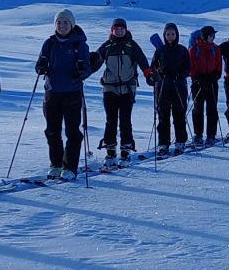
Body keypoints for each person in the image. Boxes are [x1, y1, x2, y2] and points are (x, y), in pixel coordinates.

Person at [35, 10, 94, 180]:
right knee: (52, 131)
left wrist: (81, 72)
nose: (62, 26)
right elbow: (39, 66)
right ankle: (56, 164)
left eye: (65, 22)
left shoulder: (79, 44)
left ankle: (70, 167)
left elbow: (87, 69)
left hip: (72, 93)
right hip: (52, 93)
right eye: (59, 22)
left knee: (72, 132)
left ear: (72, 24)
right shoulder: (49, 43)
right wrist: (41, 67)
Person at [93, 18, 150, 162]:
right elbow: (95, 63)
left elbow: (142, 60)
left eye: (121, 29)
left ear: (125, 29)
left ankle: (126, 149)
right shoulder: (107, 46)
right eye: (116, 29)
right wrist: (82, 73)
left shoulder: (132, 45)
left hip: (127, 88)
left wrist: (149, 74)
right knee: (110, 119)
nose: (119, 31)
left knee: (125, 119)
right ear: (112, 30)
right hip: (109, 87)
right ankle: (110, 149)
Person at [147, 23, 191, 156]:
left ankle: (180, 142)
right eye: (168, 34)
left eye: (173, 34)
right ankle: (163, 144)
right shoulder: (160, 50)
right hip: (163, 87)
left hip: (179, 86)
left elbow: (188, 67)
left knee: (179, 115)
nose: (170, 36)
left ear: (176, 35)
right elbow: (153, 67)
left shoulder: (182, 50)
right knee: (163, 116)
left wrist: (180, 75)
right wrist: (156, 75)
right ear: (164, 35)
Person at [188, 26, 223, 146]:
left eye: (214, 35)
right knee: (198, 109)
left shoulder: (216, 48)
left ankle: (211, 135)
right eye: (211, 35)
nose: (213, 38)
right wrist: (198, 77)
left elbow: (219, 66)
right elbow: (191, 66)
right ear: (204, 36)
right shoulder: (194, 49)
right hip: (198, 83)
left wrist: (215, 76)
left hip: (212, 83)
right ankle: (198, 135)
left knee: (212, 109)